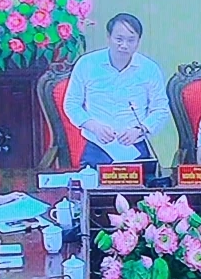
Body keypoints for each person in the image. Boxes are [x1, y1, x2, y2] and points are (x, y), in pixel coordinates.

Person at [63, 13, 169, 166]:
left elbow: (161, 109)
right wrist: (94, 126)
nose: (124, 45)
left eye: (131, 40)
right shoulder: (87, 64)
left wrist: (140, 130)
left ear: (138, 41)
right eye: (119, 39)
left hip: (135, 146)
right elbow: (72, 104)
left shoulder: (149, 69)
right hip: (97, 146)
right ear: (108, 37)